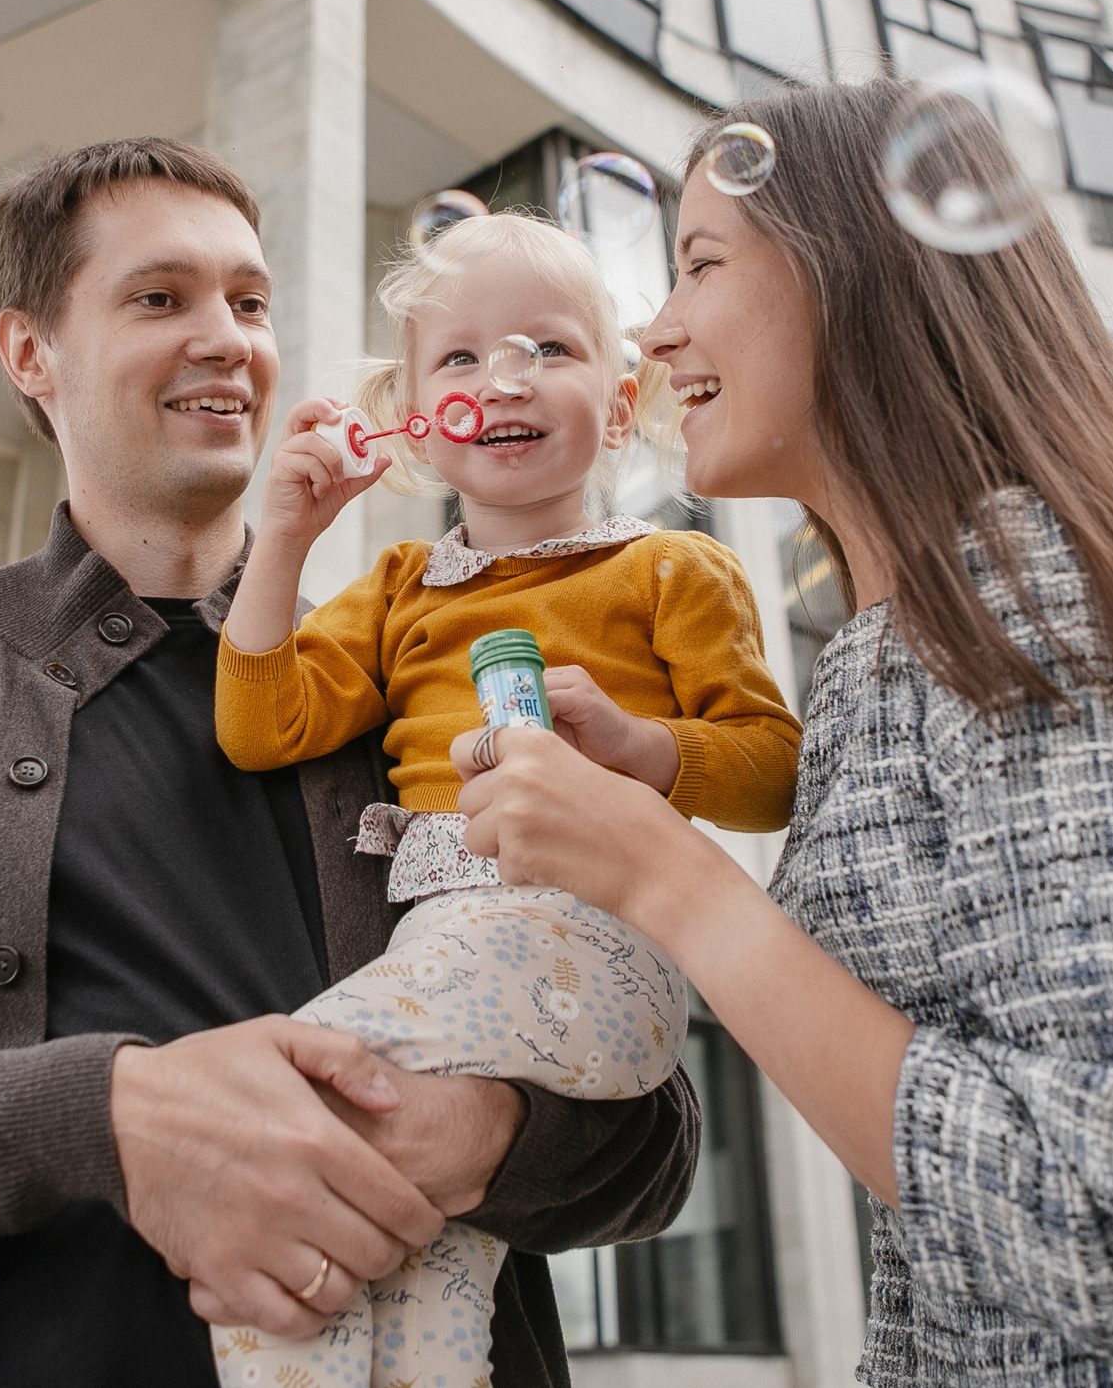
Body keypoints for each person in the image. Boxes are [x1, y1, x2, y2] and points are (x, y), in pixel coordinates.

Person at [0, 139, 697, 1388]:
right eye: (161, 299)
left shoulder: (417, 693)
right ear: (29, 353)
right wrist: (100, 1115)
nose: (228, 339)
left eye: (250, 303)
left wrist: (485, 1132)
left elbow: (656, 1129)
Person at [454, 81, 1113, 1384]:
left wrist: (665, 870)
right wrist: (667, 766)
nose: (658, 322)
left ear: (858, 275)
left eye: (700, 262)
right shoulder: (888, 641)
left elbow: (1096, 1220)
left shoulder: (1037, 582)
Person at [210, 214, 801, 1385]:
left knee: (270, 1109)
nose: (505, 379)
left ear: (623, 403)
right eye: (463, 359)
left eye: (548, 348)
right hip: (457, 964)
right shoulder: (397, 588)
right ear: (419, 423)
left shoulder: (669, 569)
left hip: (595, 954)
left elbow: (773, 765)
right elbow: (259, 724)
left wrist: (640, 747)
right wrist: (281, 539)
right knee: (413, 1261)